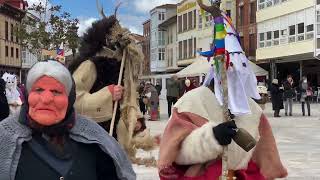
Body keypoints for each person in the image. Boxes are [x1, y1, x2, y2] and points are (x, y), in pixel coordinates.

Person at [0, 60, 135, 180]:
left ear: (70, 98)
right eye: (39, 90)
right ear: (28, 95)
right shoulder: (4, 136)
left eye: (56, 92)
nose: (46, 99)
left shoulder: (95, 139)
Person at [158, 79, 287, 180]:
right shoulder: (191, 102)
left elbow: (263, 155)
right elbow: (175, 153)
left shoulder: (253, 109)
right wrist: (211, 138)